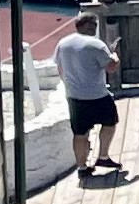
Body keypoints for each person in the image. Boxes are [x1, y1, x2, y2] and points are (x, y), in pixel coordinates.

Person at [51, 11, 122, 181]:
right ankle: (103, 156)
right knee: (110, 123)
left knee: (79, 133)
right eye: (93, 25)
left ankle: (82, 168)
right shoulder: (96, 45)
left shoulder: (63, 44)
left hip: (75, 97)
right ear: (90, 27)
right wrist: (115, 56)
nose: (93, 28)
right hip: (97, 95)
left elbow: (60, 69)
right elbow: (111, 67)